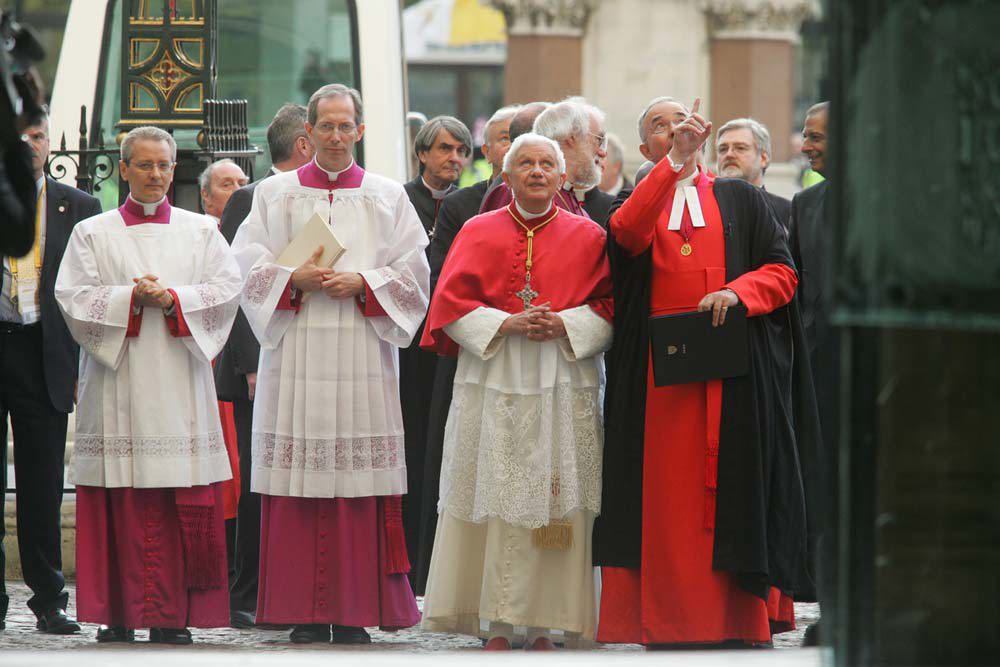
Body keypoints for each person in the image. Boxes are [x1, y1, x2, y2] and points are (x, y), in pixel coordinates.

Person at [594, 97, 816, 648]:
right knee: (665, 498)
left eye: (682, 125)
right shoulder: (637, 200)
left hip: (733, 378)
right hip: (658, 381)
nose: (675, 133)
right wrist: (675, 164)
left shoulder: (739, 197)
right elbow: (626, 235)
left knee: (730, 493)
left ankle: (735, 618)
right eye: (660, 129)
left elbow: (783, 272)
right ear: (647, 146)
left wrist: (738, 293)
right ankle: (668, 619)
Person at [231, 83, 426, 644]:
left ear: (360, 131)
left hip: (362, 353)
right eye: (327, 127)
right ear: (307, 132)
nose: (337, 136)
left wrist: (363, 282)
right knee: (299, 480)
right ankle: (306, 610)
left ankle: (356, 608)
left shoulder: (388, 197)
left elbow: (416, 275)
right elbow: (245, 267)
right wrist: (293, 279)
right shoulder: (274, 194)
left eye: (347, 127)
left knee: (357, 481)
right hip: (295, 354)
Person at [420, 133, 612, 650]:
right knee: (495, 493)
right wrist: (504, 324)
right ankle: (496, 623)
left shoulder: (589, 235)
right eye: (524, 163)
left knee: (556, 502)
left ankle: (549, 624)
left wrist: (565, 325)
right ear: (505, 176)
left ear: (562, 175)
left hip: (562, 379)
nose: (537, 171)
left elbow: (612, 308)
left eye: (547, 163)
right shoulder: (478, 230)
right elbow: (448, 305)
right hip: (496, 377)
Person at [55, 126, 242, 645]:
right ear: (124, 168)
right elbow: (71, 297)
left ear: (173, 167)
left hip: (180, 384)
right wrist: (130, 300)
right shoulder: (92, 232)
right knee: (120, 499)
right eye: (144, 165)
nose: (155, 175)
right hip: (117, 383)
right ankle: (117, 612)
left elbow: (227, 291)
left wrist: (174, 299)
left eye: (163, 165)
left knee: (176, 499)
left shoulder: (201, 231)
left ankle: (171, 615)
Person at [0, 108, 101, 634]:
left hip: (45, 351)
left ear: (50, 142)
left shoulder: (78, 207)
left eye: (37, 135)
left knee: (43, 482)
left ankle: (48, 598)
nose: (28, 144)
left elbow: (90, 287)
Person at [214, 102, 314, 629]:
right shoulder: (251, 197)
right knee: (259, 478)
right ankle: (247, 590)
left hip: (314, 355)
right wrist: (251, 365)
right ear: (304, 142)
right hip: (263, 360)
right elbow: (239, 283)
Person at [413, 104, 518, 594]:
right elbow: (444, 286)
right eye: (500, 139)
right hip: (460, 349)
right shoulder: (465, 208)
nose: (456, 157)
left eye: (462, 149)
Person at [399, 115, 472, 588]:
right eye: (445, 149)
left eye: (462, 151)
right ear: (422, 153)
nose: (455, 159)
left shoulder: (473, 204)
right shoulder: (402, 201)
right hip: (410, 345)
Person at [788, 100, 831, 646]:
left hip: (875, 368)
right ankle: (834, 605)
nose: (806, 145)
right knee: (825, 490)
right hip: (819, 373)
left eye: (816, 135)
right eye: (805, 134)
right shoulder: (805, 203)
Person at [197, 157, 250, 590]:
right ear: (206, 196)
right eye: (225, 183)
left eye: (241, 182)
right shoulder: (199, 235)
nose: (235, 190)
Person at [532, 98, 614, 225]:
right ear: (572, 137)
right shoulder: (524, 192)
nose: (602, 152)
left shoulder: (568, 195)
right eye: (599, 139)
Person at [715, 117, 790, 227]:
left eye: (740, 148)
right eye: (723, 149)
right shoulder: (704, 208)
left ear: (763, 158)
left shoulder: (787, 212)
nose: (729, 154)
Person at [599, 132, 631, 196]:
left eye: (601, 158)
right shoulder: (584, 195)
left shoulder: (633, 198)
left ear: (616, 166)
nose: (595, 162)